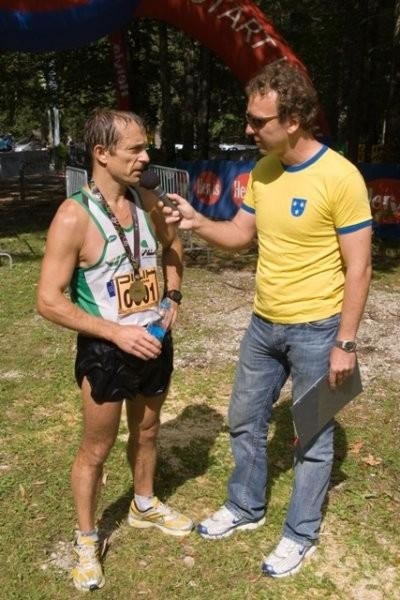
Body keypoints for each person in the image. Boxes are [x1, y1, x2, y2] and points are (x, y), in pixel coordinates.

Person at [161, 61, 372, 578]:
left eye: (259, 121)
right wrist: (196, 221)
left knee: (312, 437)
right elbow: (240, 234)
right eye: (249, 119)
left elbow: (360, 266)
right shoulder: (263, 171)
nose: (249, 129)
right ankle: (246, 506)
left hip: (318, 329)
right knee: (244, 419)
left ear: (293, 120)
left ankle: (300, 533)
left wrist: (345, 342)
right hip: (263, 324)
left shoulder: (340, 176)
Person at [37, 108, 192, 592]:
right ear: (102, 153)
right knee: (96, 448)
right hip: (107, 350)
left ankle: (143, 503)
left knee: (147, 431)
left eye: (147, 148)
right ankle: (87, 539)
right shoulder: (73, 215)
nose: (146, 158)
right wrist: (114, 332)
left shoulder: (148, 201)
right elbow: (48, 300)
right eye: (136, 149)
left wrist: (172, 296)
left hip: (154, 339)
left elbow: (174, 248)